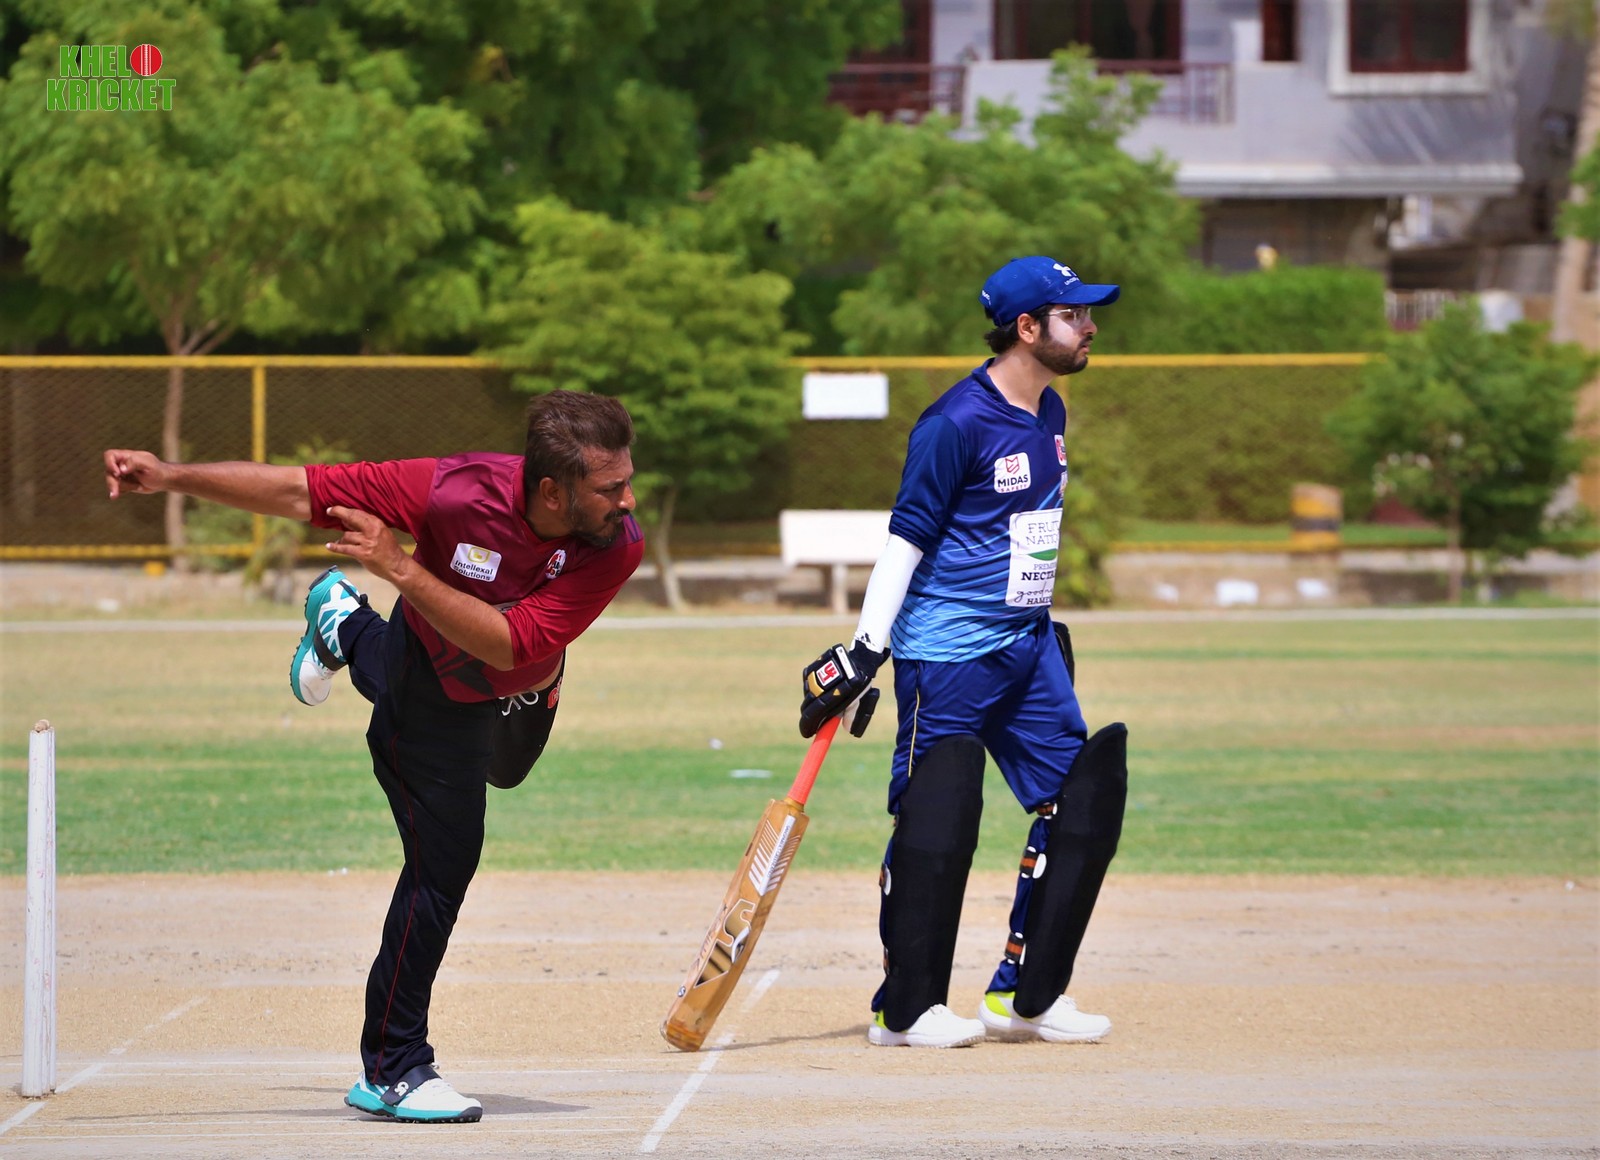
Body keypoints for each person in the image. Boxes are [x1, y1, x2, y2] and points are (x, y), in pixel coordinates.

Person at [103, 390, 643, 1121]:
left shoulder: (619, 543)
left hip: (522, 678)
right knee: (442, 866)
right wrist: (170, 475)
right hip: (433, 691)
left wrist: (399, 569)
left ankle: (345, 623)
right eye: (610, 487)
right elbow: (301, 491)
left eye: (626, 480)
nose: (627, 500)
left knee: (508, 771)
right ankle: (394, 1067)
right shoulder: (453, 489)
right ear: (552, 490)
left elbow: (510, 644)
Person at [799, 257, 1129, 1049]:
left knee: (1080, 802)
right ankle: (905, 1009)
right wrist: (867, 648)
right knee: (938, 819)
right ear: (1027, 327)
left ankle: (1026, 995)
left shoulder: (1050, 409)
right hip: (947, 655)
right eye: (1073, 315)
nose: (1089, 327)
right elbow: (905, 542)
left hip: (1027, 647)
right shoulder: (954, 423)